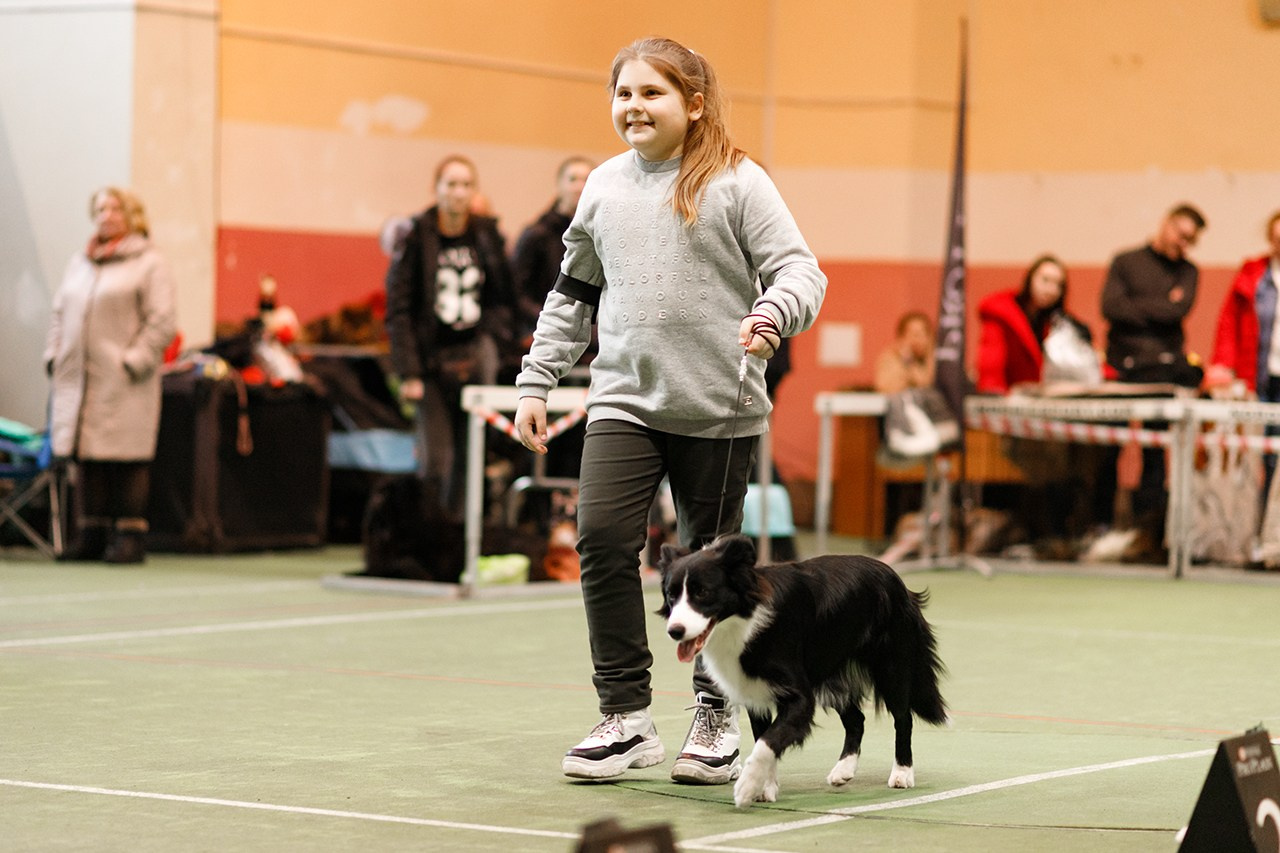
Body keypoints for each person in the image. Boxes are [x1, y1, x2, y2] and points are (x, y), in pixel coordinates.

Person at [513, 37, 826, 785]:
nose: (633, 107)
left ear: (692, 103)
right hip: (622, 397)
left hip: (718, 406)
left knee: (708, 563)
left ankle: (715, 713)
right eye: (623, 94)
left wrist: (774, 312)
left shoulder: (740, 182)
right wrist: (537, 378)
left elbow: (800, 270)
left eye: (651, 93)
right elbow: (574, 293)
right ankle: (624, 716)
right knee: (599, 539)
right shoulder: (603, 186)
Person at [45, 186, 177, 564]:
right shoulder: (80, 263)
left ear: (132, 215)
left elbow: (162, 321)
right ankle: (90, 534)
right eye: (100, 208)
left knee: (126, 455)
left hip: (124, 377)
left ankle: (130, 537)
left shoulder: (150, 262)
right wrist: (54, 355)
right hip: (78, 377)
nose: (106, 215)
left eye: (114, 208)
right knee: (87, 455)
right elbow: (59, 313)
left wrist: (134, 360)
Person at [384, 155, 516, 517]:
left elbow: (504, 298)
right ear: (436, 189)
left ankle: (462, 537)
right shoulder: (415, 235)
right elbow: (399, 309)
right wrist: (408, 371)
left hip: (475, 357)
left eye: (465, 185)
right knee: (437, 458)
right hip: (428, 363)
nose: (458, 193)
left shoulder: (486, 235)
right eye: (451, 184)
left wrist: (491, 341)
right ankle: (430, 533)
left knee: (472, 454)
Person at [1099, 203, 1207, 541]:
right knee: (1108, 445)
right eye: (1181, 234)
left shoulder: (1188, 271)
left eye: (1192, 240)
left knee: (1156, 452)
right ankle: (1100, 523)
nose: (1183, 245)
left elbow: (1179, 310)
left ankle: (1150, 532)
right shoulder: (1125, 261)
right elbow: (1111, 308)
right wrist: (1161, 306)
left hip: (1163, 370)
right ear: (1166, 223)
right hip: (1122, 367)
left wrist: (1138, 306)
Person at [976, 255, 1097, 545]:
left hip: (1048, 409)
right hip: (1013, 408)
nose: (1050, 289)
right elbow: (991, 359)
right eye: (1045, 280)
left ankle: (1062, 533)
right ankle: (1048, 534)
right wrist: (994, 392)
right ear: (1029, 280)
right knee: (1050, 463)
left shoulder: (1061, 324)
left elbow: (1079, 364)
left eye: (1058, 283)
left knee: (1081, 458)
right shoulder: (1002, 314)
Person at [1206, 210, 1280, 506]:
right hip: (1256, 376)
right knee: (1245, 456)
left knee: (1276, 459)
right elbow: (1229, 323)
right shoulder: (1252, 273)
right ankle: (1244, 531)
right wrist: (1223, 367)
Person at [873, 311, 935, 394]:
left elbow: (927, 383)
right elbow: (887, 388)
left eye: (925, 334)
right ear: (902, 338)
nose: (922, 339)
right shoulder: (890, 357)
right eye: (916, 335)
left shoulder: (935, 357)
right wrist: (907, 361)